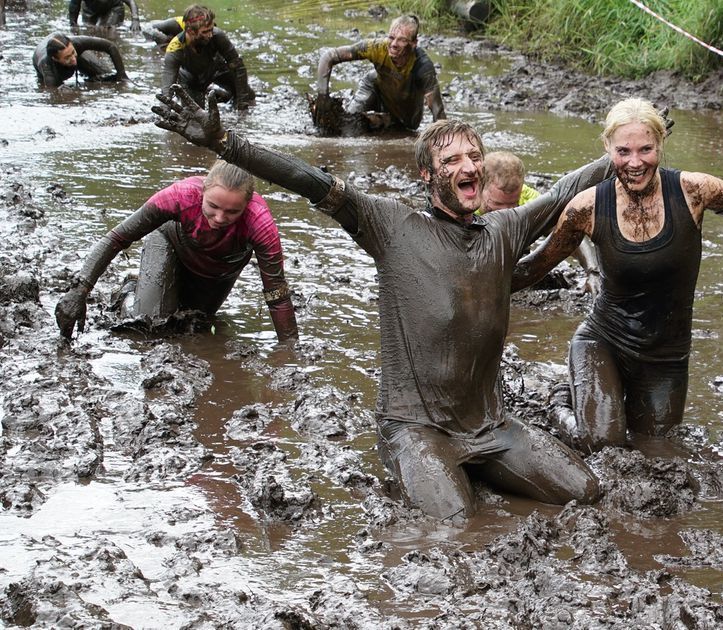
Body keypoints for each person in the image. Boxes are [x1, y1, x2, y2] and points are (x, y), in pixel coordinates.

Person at [151, 86, 612, 522]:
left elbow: (561, 194)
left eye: (475, 156)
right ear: (428, 175)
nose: (469, 166)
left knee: (585, 493)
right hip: (414, 428)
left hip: (491, 425)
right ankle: (418, 467)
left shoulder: (504, 229)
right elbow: (308, 179)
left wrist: (620, 156)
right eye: (451, 159)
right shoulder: (390, 226)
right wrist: (225, 142)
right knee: (456, 524)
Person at [511, 98, 723, 454]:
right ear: (607, 148)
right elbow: (534, 267)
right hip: (603, 341)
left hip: (666, 357)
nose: (635, 162)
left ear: (661, 145)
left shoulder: (695, 191)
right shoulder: (586, 207)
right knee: (603, 445)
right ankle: (559, 405)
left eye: (646, 149)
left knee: (656, 450)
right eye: (623, 151)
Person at [55, 160, 298, 342]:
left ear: (247, 205)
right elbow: (118, 237)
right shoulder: (180, 195)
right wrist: (80, 290)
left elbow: (276, 293)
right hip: (170, 244)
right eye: (212, 206)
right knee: (150, 324)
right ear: (202, 192)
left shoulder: (260, 223)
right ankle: (128, 292)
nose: (219, 217)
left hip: (219, 270)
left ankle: (152, 291)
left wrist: (289, 351)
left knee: (195, 323)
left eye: (232, 212)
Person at [481, 151, 602, 292]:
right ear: (480, 186)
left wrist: (592, 271)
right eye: (497, 204)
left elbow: (569, 229)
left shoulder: (530, 199)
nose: (507, 213)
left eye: (513, 204)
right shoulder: (466, 201)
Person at [315, 14, 446, 132]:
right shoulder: (377, 48)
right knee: (346, 125)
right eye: (391, 37)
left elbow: (438, 111)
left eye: (402, 40)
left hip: (406, 113)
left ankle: (379, 121)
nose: (394, 44)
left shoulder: (422, 66)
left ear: (413, 44)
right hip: (375, 89)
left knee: (404, 129)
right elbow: (328, 56)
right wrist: (322, 96)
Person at [160, 5, 255, 109]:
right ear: (191, 31)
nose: (210, 35)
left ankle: (219, 96)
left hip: (218, 70)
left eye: (211, 29)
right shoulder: (175, 48)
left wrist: (242, 106)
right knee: (196, 118)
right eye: (205, 32)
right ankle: (214, 94)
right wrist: (165, 112)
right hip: (191, 81)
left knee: (248, 97)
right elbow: (167, 87)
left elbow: (238, 68)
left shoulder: (217, 35)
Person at [33, 32, 128, 89]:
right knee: (59, 91)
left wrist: (122, 74)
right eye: (67, 58)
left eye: (73, 52)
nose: (73, 59)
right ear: (55, 59)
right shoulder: (46, 65)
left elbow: (110, 46)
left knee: (106, 75)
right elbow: (53, 93)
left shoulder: (76, 42)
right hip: (50, 69)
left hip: (78, 54)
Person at [69, 0, 139, 29]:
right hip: (90, 9)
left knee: (108, 29)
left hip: (113, 7)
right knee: (89, 30)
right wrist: (73, 23)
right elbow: (74, 4)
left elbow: (130, 1)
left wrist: (135, 19)